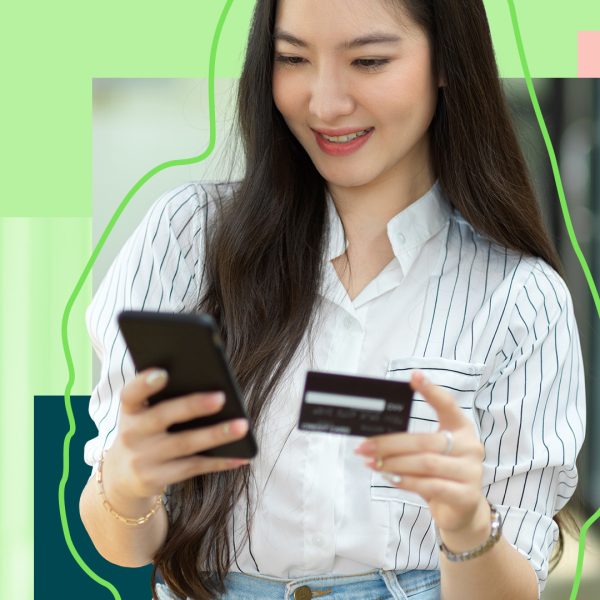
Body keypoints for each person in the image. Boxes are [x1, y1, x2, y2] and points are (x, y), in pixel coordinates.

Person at [79, 0, 586, 599]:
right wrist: (129, 482)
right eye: (292, 58)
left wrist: (466, 522)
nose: (324, 103)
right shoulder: (188, 238)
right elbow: (125, 543)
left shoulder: (520, 300)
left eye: (368, 61)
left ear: (447, 60)